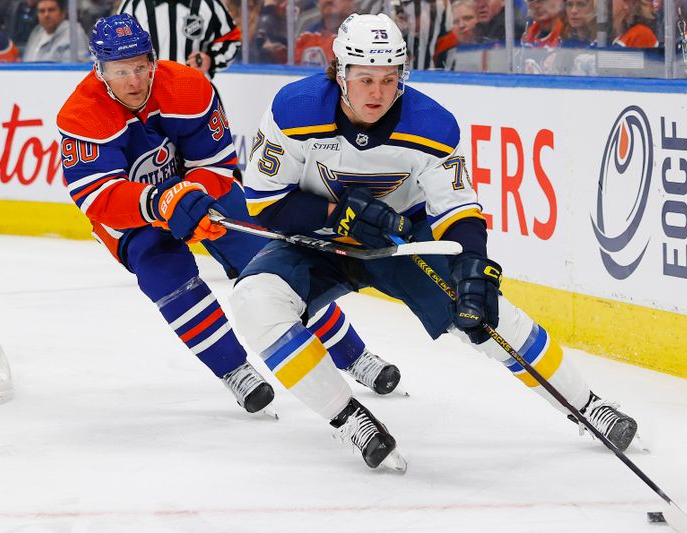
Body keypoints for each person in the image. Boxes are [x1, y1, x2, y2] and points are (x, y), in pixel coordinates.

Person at [228, 12, 640, 470]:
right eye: (364, 79)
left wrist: (473, 268)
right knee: (253, 300)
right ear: (339, 72)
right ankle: (349, 419)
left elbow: (459, 210)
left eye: (389, 79)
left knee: (486, 316)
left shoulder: (431, 124)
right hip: (321, 242)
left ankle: (586, 405)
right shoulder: (294, 108)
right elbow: (264, 203)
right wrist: (336, 212)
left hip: (402, 241)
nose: (378, 93)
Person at [56, 13, 403, 417]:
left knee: (276, 267)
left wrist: (190, 195)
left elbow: (219, 164)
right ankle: (235, 370)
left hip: (202, 197)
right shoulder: (80, 115)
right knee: (166, 278)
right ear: (99, 70)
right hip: (134, 218)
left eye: (140, 67)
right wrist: (160, 203)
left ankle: (353, 355)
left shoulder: (188, 87)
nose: (134, 81)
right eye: (120, 71)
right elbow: (97, 197)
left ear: (152, 60)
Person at [116, 0, 241, 78]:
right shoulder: (134, 4)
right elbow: (117, 46)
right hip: (148, 97)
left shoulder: (208, 3)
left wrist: (211, 60)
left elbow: (231, 39)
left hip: (195, 91)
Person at [294, 0, 356, 67]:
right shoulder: (306, 35)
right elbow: (292, 71)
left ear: (351, 2)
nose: (329, 1)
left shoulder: (361, 34)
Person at [23, 0, 90, 61]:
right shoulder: (36, 32)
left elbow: (74, 68)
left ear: (63, 13)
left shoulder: (74, 33)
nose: (46, 15)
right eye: (42, 11)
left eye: (51, 10)